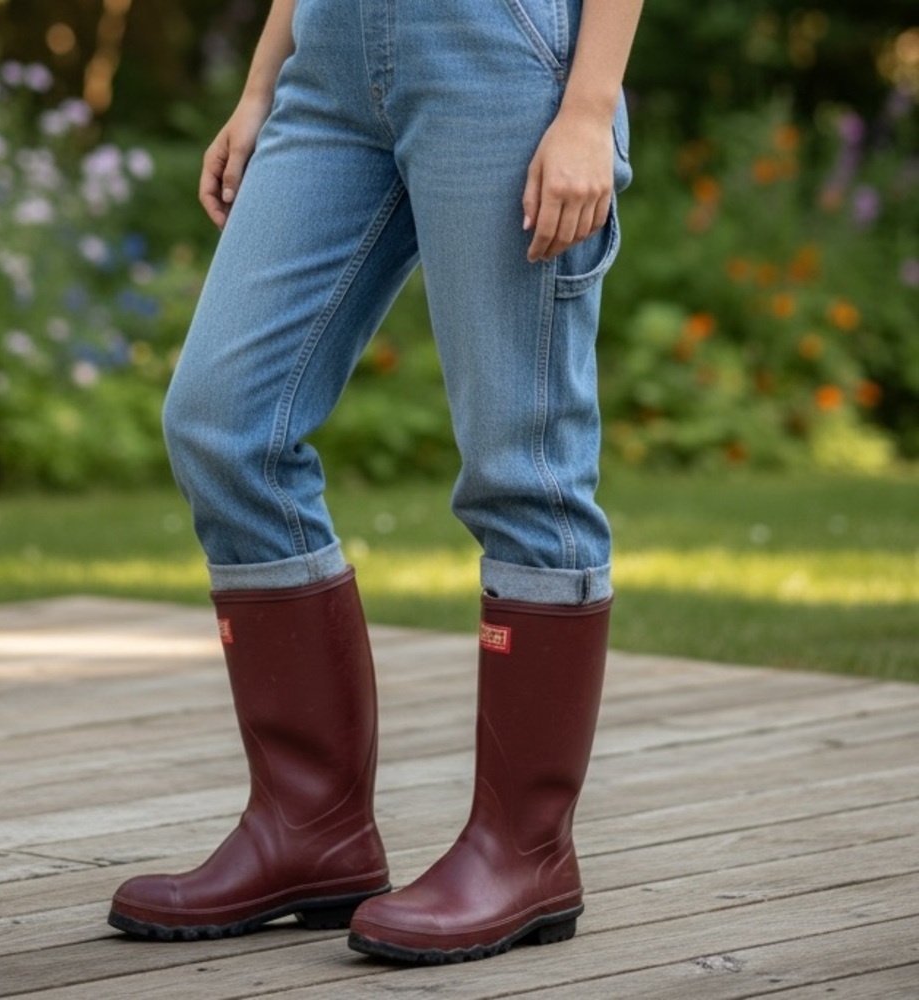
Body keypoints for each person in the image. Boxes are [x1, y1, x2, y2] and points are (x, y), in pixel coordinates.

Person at [108, 0, 643, 965]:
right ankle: (308, 830)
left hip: (498, 51)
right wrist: (261, 82)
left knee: (521, 467)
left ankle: (525, 853)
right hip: (331, 60)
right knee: (222, 424)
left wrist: (588, 107)